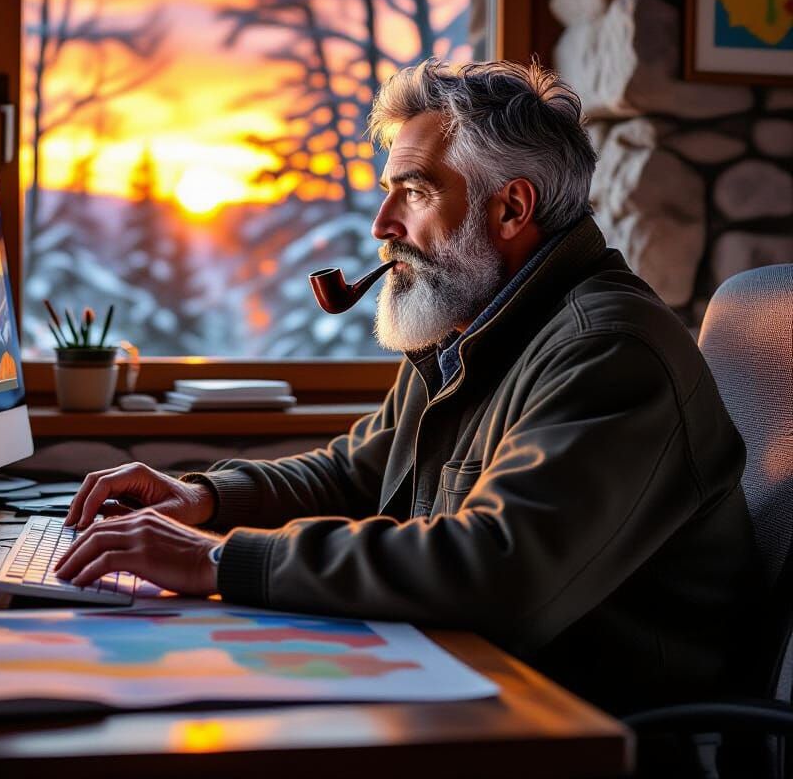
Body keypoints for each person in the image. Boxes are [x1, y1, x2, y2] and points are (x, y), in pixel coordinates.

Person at [56, 58, 757, 720]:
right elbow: (357, 473)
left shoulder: (608, 352)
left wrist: (214, 559)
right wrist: (205, 499)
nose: (382, 224)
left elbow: (495, 569)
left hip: (582, 732)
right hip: (473, 687)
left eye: (416, 191)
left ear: (511, 209)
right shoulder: (470, 326)